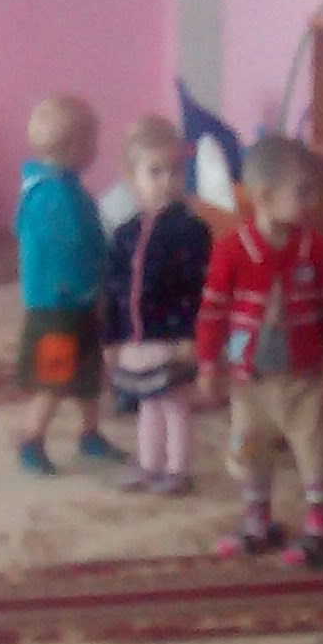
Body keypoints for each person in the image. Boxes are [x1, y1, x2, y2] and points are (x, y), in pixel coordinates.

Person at [195, 131, 323, 567]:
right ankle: (256, 522)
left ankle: (320, 526)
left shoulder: (314, 248)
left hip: (302, 378)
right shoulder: (231, 250)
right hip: (250, 382)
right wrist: (208, 364)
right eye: (302, 192)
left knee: (314, 446)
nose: (312, 201)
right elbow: (212, 311)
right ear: (264, 196)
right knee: (250, 448)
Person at [103, 113, 212, 497]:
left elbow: (197, 289)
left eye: (175, 170)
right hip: (137, 339)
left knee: (176, 404)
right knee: (148, 403)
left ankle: (178, 469)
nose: (167, 180)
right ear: (131, 176)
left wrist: (190, 336)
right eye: (155, 171)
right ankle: (150, 464)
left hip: (173, 339)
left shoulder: (191, 231)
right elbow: (113, 290)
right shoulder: (124, 234)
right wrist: (110, 339)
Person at [15, 94, 116, 477]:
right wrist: (92, 282)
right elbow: (66, 251)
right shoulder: (53, 195)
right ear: (74, 146)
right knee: (53, 377)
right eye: (92, 141)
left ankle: (90, 433)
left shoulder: (63, 186)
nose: (96, 150)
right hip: (58, 304)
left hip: (79, 301)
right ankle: (32, 439)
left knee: (88, 373)